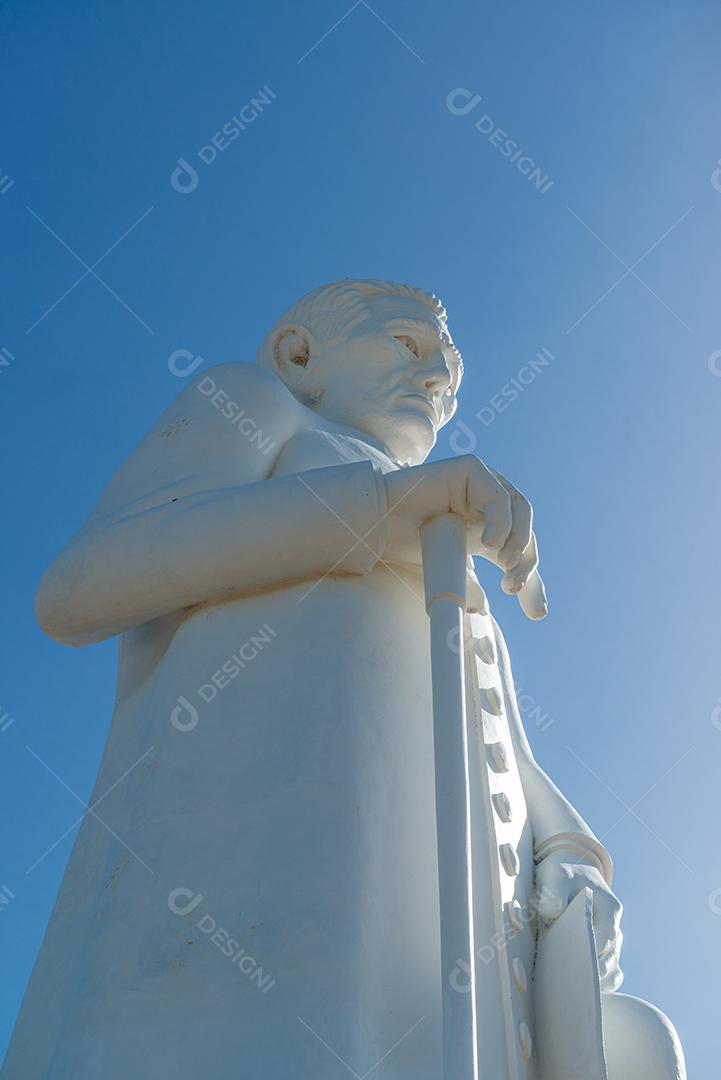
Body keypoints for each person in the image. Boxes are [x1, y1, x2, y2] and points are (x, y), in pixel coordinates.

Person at [3, 280, 683, 1078]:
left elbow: (496, 734)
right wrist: (383, 509)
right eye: (408, 344)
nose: (437, 380)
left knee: (636, 1046)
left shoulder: (430, 519)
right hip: (259, 898)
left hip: (441, 949)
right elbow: (82, 587)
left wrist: (567, 852)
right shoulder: (259, 405)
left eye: (452, 376)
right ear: (300, 353)